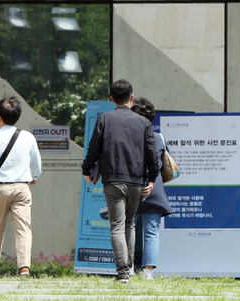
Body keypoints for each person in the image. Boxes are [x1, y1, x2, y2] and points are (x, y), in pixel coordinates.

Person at [82, 80, 159, 283]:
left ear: (111, 99)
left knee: (116, 225)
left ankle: (123, 274)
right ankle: (129, 269)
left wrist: (86, 170)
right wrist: (151, 180)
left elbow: (93, 149)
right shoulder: (144, 123)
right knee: (130, 224)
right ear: (131, 98)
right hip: (136, 182)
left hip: (113, 181)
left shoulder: (104, 119)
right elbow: (153, 156)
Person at [0, 97, 42, 278]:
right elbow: (36, 164)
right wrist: (34, 176)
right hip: (21, 188)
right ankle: (24, 267)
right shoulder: (28, 137)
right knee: (24, 228)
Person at [130, 97, 173, 280]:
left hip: (132, 186)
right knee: (151, 230)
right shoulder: (159, 137)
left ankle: (129, 269)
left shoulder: (129, 137)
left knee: (128, 227)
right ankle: (148, 272)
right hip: (153, 188)